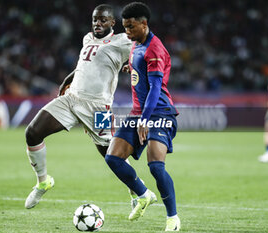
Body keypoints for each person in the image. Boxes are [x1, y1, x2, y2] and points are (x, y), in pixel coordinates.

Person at [24, 4, 143, 209]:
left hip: (99, 108)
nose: (98, 23)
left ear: (112, 23)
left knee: (112, 155)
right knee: (32, 132)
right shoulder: (87, 38)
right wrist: (67, 80)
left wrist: (132, 64)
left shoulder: (122, 41)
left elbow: (143, 51)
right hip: (72, 99)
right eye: (95, 19)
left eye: (103, 20)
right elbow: (84, 65)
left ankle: (136, 192)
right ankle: (43, 181)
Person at [104, 2, 180, 231]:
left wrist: (145, 120)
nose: (126, 31)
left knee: (156, 166)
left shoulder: (154, 48)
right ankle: (144, 194)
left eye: (130, 26)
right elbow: (141, 69)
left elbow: (156, 88)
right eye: (124, 26)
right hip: (138, 112)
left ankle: (172, 218)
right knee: (113, 158)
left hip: (159, 112)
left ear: (144, 24)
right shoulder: (136, 45)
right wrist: (132, 68)